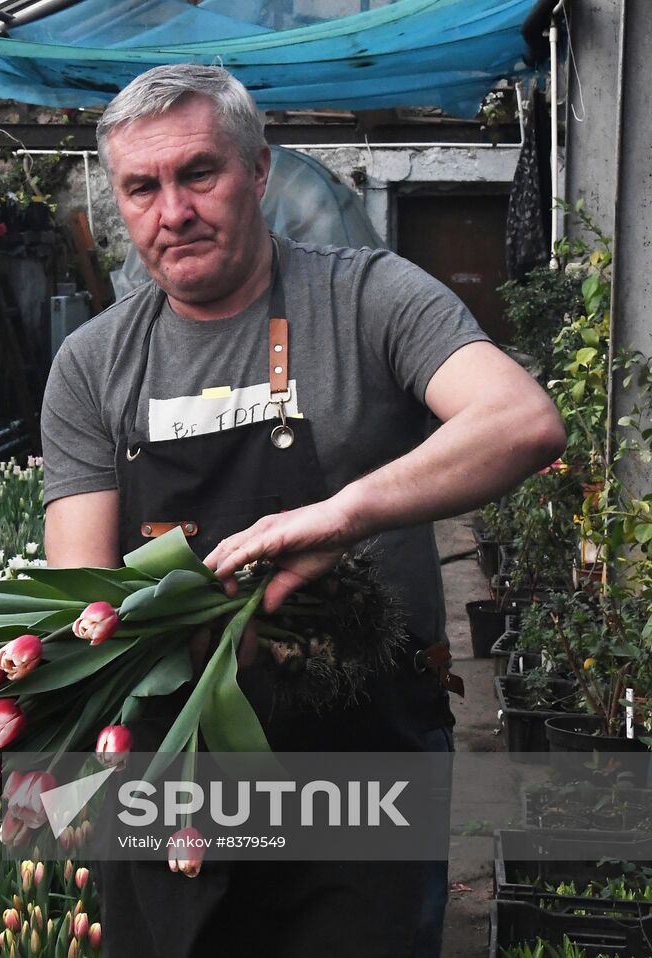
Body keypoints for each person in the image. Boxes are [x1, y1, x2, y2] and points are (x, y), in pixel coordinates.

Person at [40, 64, 565, 957]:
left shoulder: (368, 297)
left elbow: (523, 420)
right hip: (179, 766)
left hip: (360, 756)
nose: (174, 211)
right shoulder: (92, 365)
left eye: (198, 173)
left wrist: (342, 516)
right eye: (142, 187)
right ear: (120, 201)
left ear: (257, 170)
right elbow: (83, 601)